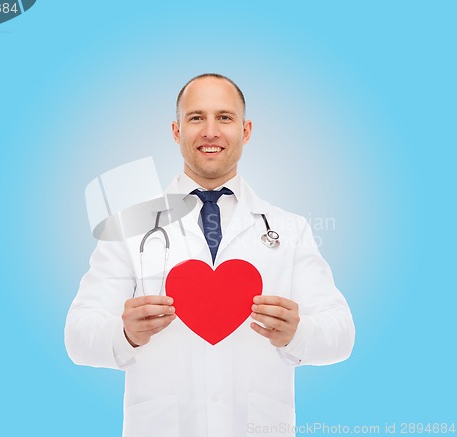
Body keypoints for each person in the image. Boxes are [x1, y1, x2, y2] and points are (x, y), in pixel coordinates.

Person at [65, 73, 355, 437]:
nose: (211, 131)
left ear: (246, 131)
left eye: (225, 117)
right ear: (176, 131)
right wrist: (124, 334)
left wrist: (297, 334)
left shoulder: (289, 228)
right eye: (196, 117)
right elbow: (77, 336)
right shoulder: (129, 226)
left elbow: (342, 333)